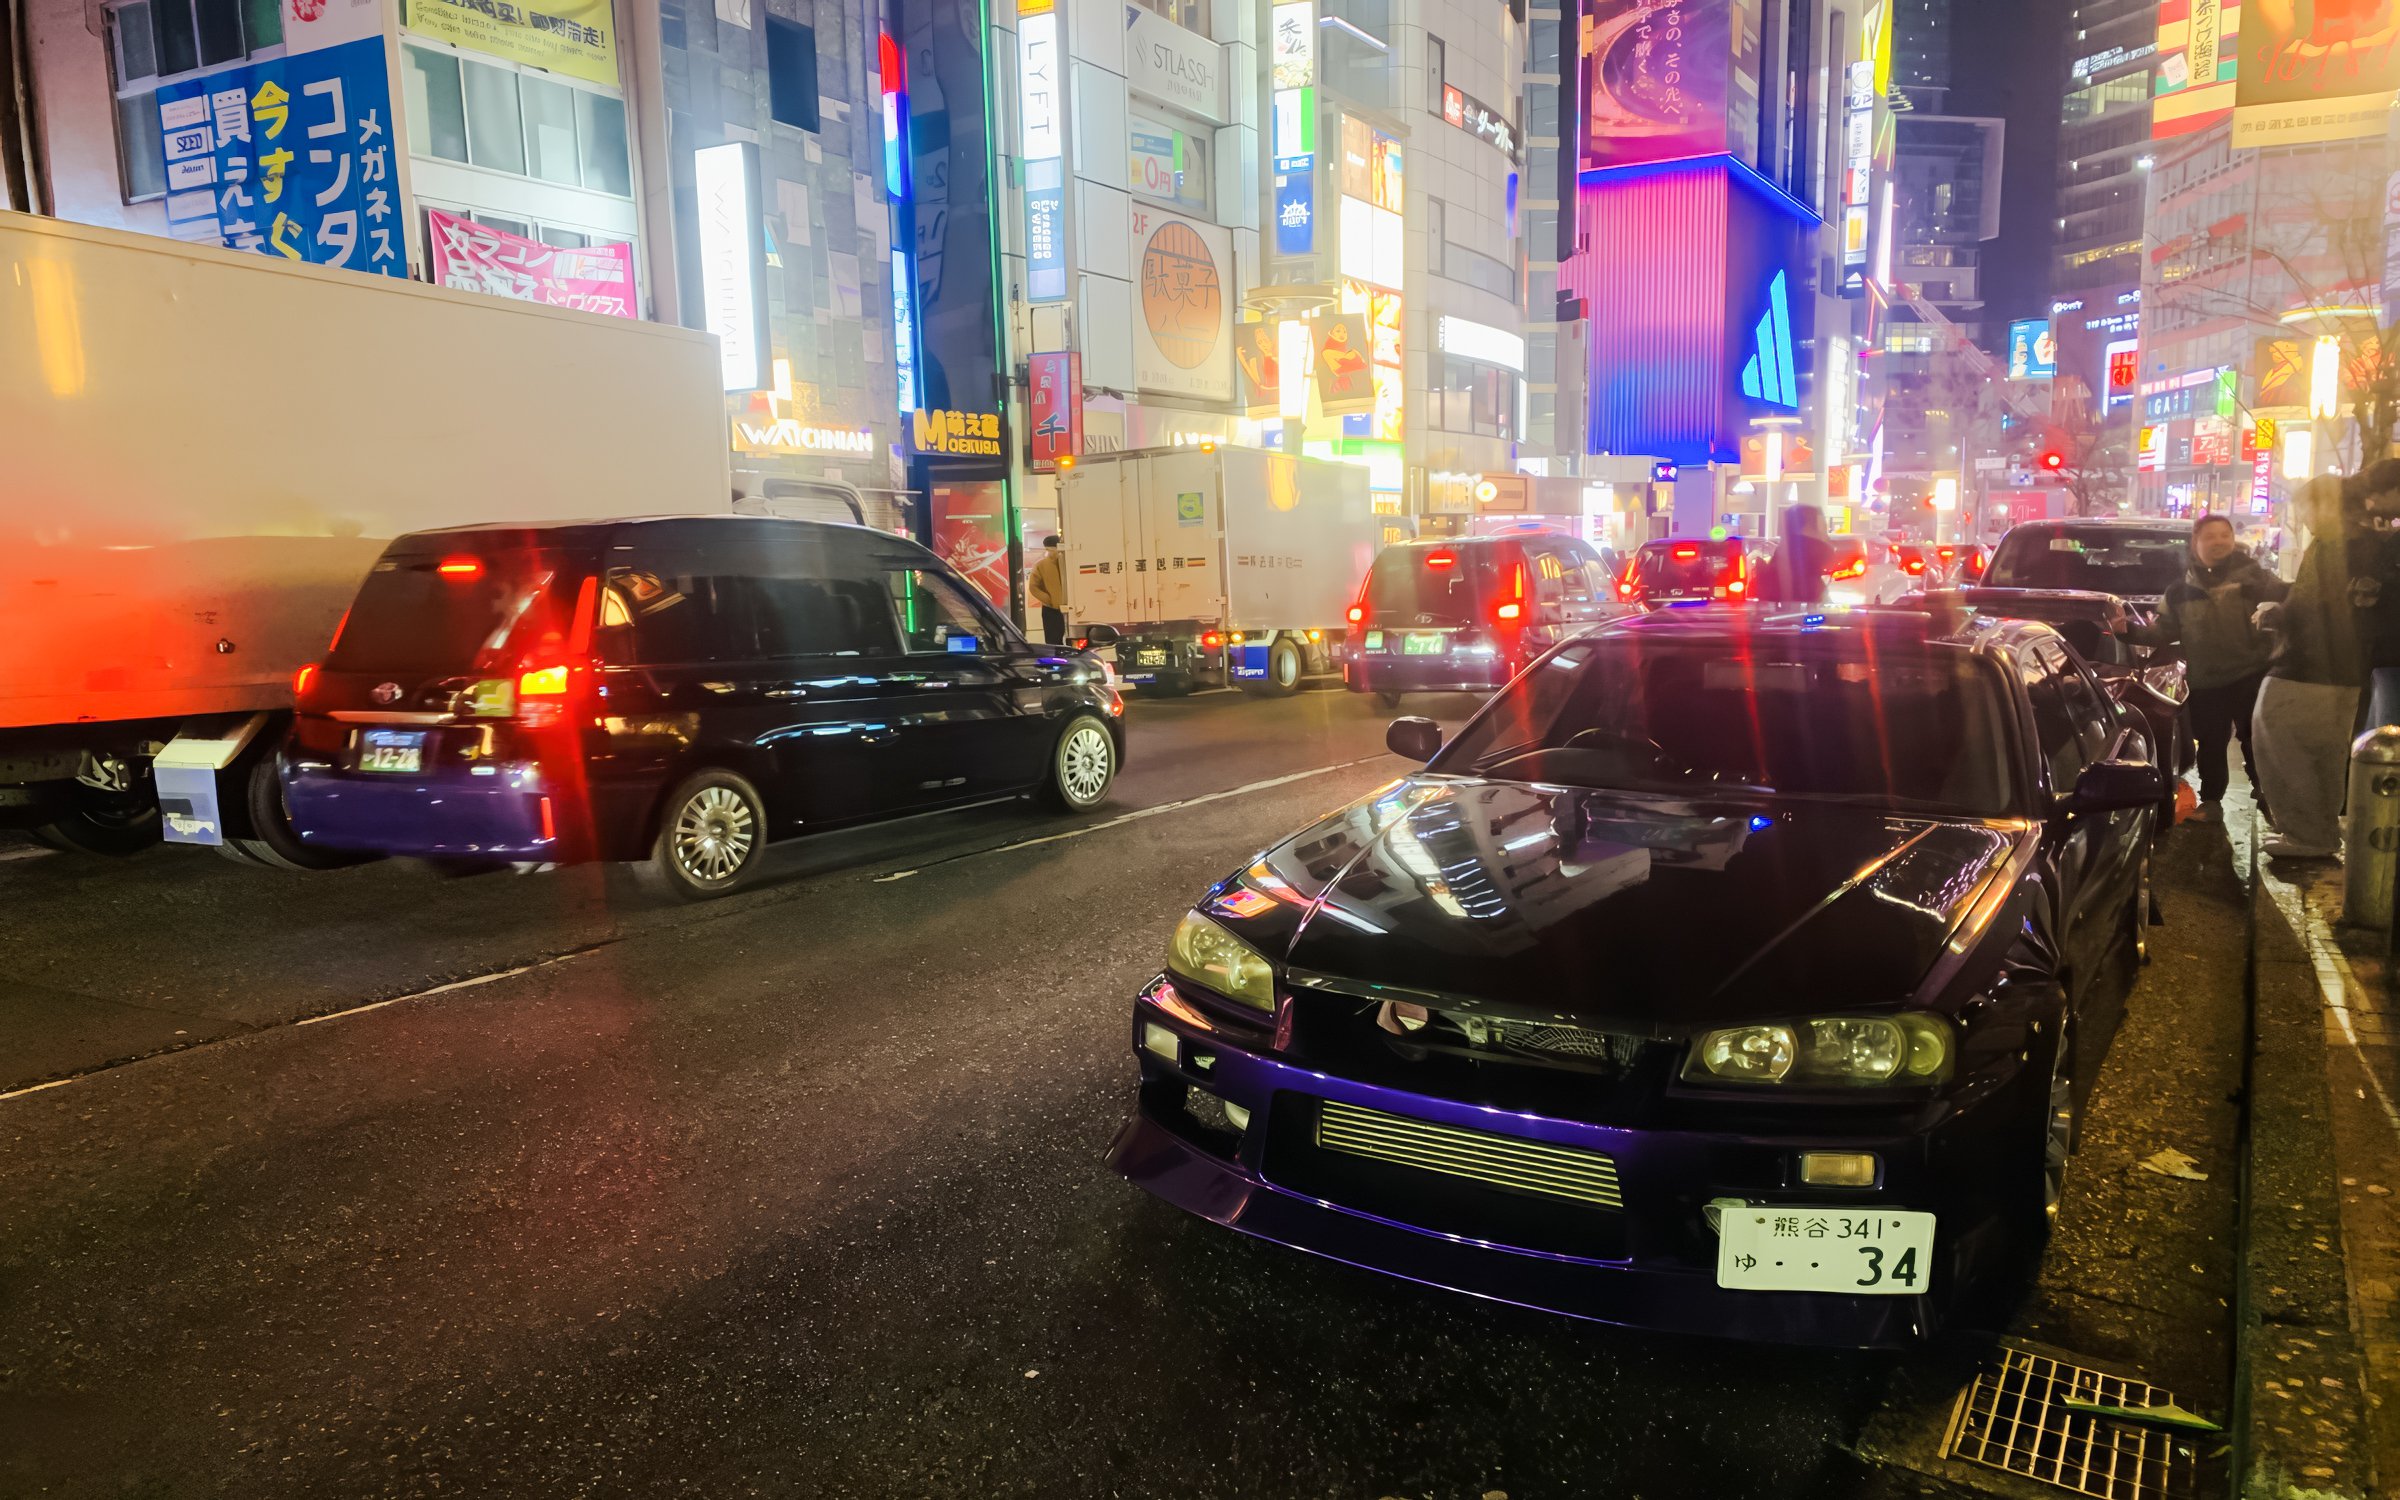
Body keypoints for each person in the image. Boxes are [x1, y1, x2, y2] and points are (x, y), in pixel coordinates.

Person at [2126, 514, 2285, 822]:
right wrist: (2126, 631)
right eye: (2210, 537)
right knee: (2211, 743)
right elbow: (2163, 631)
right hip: (2206, 681)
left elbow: (2288, 607)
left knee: (2257, 741)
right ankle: (2211, 801)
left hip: (2252, 674)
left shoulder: (2256, 579)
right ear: (2195, 543)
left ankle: (2270, 799)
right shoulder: (2180, 591)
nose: (2218, 542)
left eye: (2224, 535)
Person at [2251, 476, 2379, 860]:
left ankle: (2307, 833)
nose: (2303, 516)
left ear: (2328, 506)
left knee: (2279, 739)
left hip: (2307, 667)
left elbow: (2313, 605)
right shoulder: (2372, 546)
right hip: (2348, 671)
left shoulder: (2332, 546)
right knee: (2326, 752)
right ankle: (2320, 832)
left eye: (2307, 507)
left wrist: (2278, 612)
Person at [1756, 505, 1833, 605]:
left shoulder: (1784, 552)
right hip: (1802, 609)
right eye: (1823, 529)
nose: (1826, 536)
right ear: (1809, 527)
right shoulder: (1812, 549)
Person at [1029, 534, 1068, 646]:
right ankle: (1057, 661)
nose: (1051, 552)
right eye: (1049, 550)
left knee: (1068, 640)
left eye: (1052, 549)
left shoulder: (1067, 562)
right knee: (1053, 643)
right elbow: (1033, 586)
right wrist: (1048, 599)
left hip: (1070, 608)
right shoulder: (1041, 565)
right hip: (1051, 609)